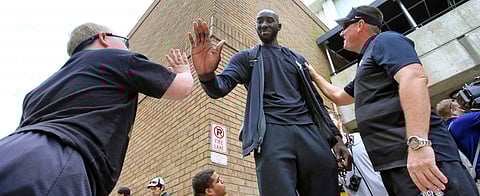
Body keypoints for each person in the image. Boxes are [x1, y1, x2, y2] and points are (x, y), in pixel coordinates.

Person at [0, 23, 193, 196]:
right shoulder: (116, 58)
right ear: (103, 38)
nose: (127, 48)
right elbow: (181, 89)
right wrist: (184, 70)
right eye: (124, 42)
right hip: (60, 163)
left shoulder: (39, 89)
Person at [305, 5, 478, 196]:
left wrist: (418, 144)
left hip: (417, 158)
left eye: (345, 26)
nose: (341, 34)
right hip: (393, 165)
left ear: (361, 24)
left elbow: (414, 77)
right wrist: (313, 74)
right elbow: (339, 96)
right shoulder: (365, 63)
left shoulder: (385, 41)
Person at [188, 9, 350, 196]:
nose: (264, 25)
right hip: (272, 136)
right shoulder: (246, 59)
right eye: (259, 21)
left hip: (310, 133)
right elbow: (219, 88)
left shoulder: (297, 60)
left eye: (269, 21)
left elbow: (316, 102)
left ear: (279, 26)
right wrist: (206, 75)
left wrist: (336, 139)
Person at [437, 98, 480, 178]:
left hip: (475, 173)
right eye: (459, 107)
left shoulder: (446, 131)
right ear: (452, 111)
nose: (463, 108)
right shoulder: (463, 122)